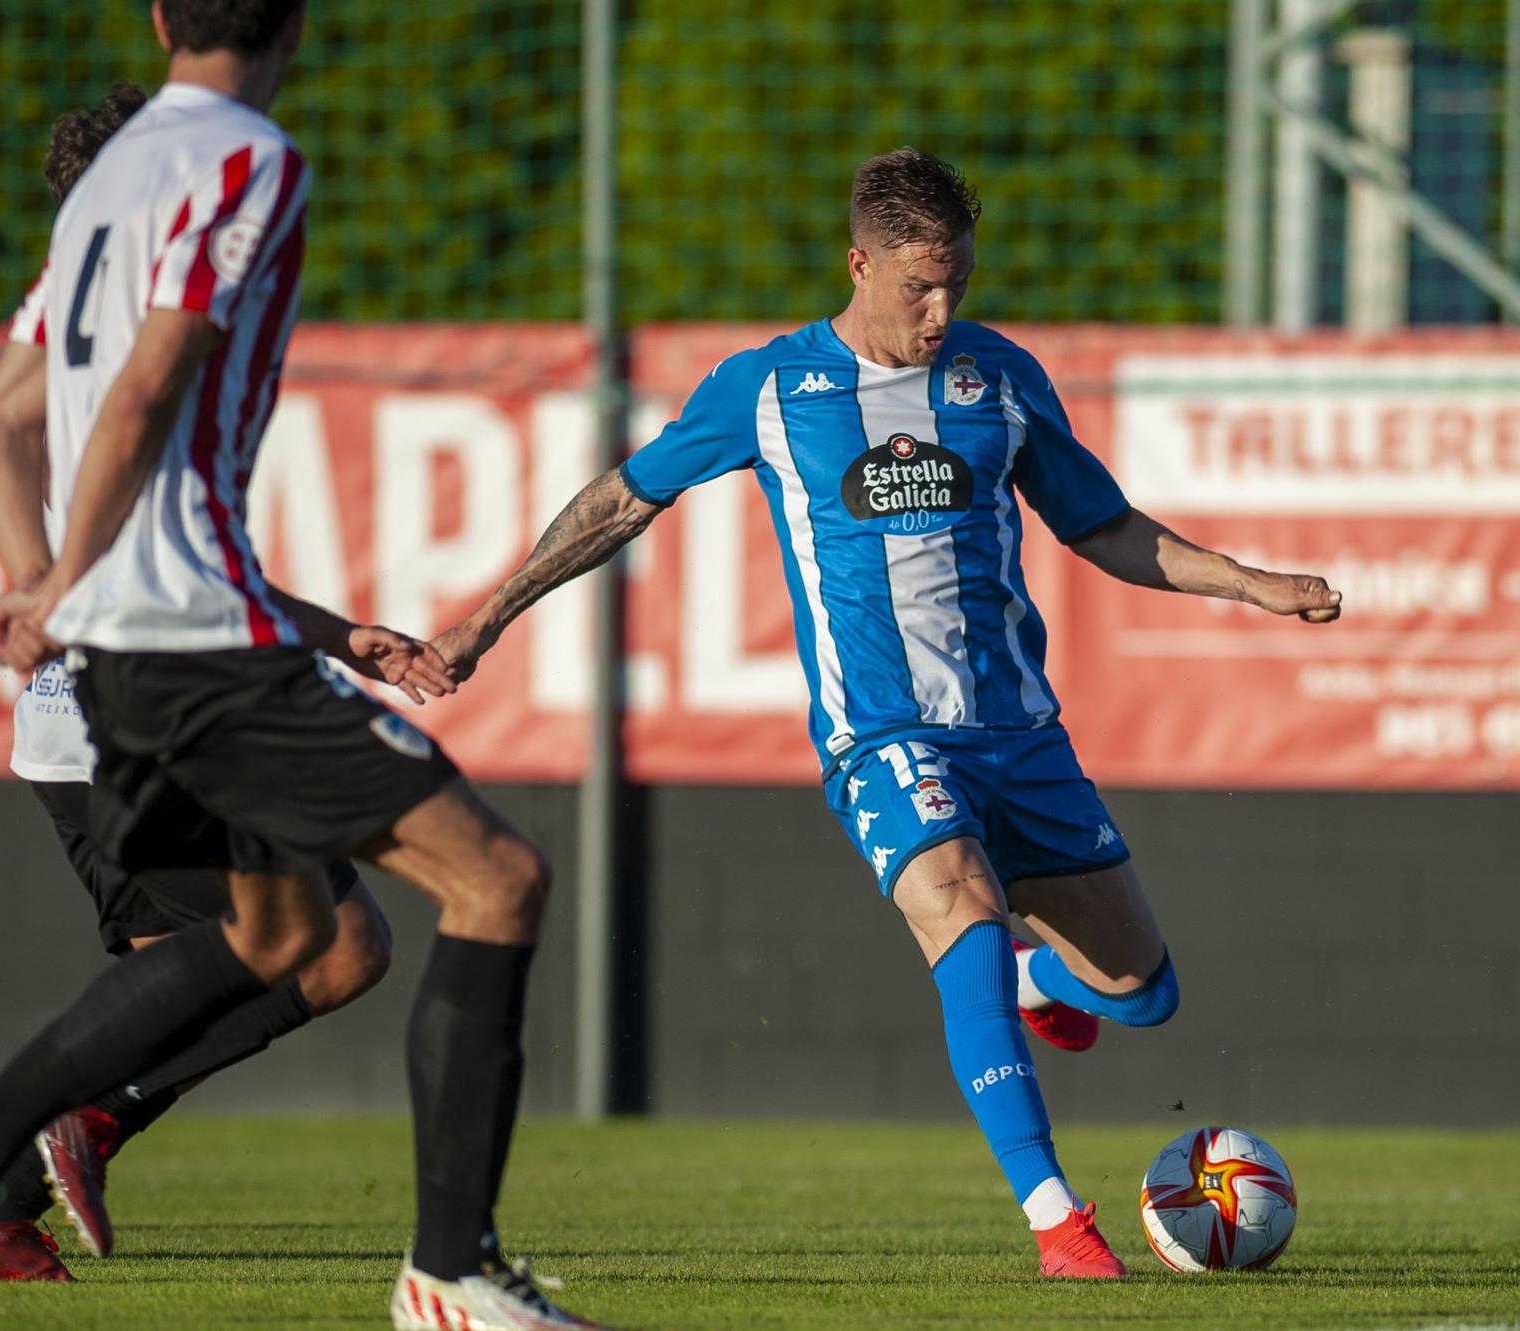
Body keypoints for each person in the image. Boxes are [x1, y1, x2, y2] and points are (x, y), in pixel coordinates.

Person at [430, 147, 1342, 1279]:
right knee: (957, 902)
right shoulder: (769, 389)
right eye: (918, 286)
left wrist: (1252, 583)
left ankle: (1023, 979)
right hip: (882, 736)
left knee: (1141, 990)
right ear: (859, 264)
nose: (940, 308)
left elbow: (1100, 525)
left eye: (956, 282)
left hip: (1019, 734)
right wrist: (485, 619)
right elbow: (623, 496)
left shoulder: (999, 377)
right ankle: (1058, 1220)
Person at [0, 6, 599, 1327]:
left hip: (127, 659)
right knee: (497, 877)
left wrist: (48, 582)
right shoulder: (247, 158)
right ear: (300, 23)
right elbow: (153, 383)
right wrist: (63, 578)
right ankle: (449, 1270)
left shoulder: (103, 182)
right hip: (201, 641)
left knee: (282, 931)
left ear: (161, 16)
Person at [0, 80, 396, 1285]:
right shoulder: (140, 348)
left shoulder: (50, 335)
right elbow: (163, 554)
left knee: (174, 986)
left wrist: (330, 631)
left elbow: (13, 451)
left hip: (60, 740)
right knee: (340, 940)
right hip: (146, 710)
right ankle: (35, 1136)